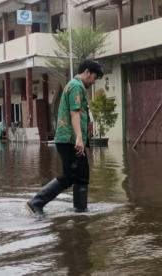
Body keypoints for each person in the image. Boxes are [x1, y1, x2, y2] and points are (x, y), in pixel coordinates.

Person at [26, 60, 104, 215]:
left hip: (69, 140)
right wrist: (79, 138)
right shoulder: (76, 86)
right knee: (71, 176)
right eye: (95, 77)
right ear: (87, 72)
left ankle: (80, 211)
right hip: (69, 140)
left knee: (81, 175)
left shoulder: (76, 85)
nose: (94, 81)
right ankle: (36, 203)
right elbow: (74, 113)